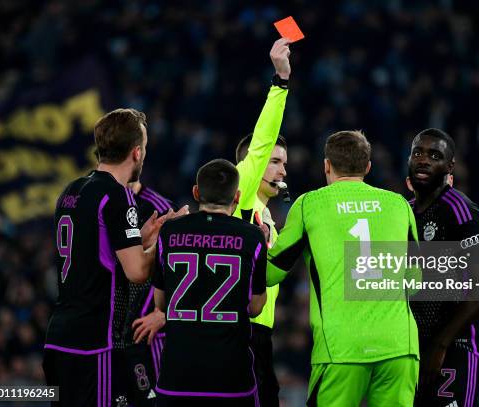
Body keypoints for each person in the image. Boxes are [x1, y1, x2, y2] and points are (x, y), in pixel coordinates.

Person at [43, 108, 185, 406]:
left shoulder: (72, 190)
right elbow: (136, 272)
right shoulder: (118, 195)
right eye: (144, 148)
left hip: (58, 339)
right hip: (95, 343)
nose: (144, 154)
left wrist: (142, 236)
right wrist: (164, 237)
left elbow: (97, 249)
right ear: (136, 152)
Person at [267, 130, 420, 406]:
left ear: (327, 165)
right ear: (368, 167)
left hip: (341, 349)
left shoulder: (308, 205)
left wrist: (265, 239)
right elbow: (417, 278)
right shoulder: (399, 205)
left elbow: (270, 274)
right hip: (399, 346)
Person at [153, 159, 268, 407]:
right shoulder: (252, 236)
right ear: (236, 196)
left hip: (177, 376)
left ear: (196, 192)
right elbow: (256, 307)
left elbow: (160, 303)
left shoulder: (169, 232)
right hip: (231, 378)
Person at [407, 128, 479, 407]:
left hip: (460, 347)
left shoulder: (460, 210)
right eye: (418, 152)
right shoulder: (405, 212)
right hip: (418, 348)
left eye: (435, 155)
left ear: (449, 167)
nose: (423, 160)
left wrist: (441, 344)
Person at [233, 37, 291, 406]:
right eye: (275, 161)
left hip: (261, 334)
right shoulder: (243, 196)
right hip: (241, 332)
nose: (283, 168)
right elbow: (261, 141)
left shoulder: (268, 216)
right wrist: (280, 82)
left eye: (284, 162)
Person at [121, 180, 180, 406]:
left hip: (148, 334)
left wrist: (165, 312)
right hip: (113, 332)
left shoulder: (160, 207)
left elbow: (180, 268)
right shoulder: (102, 201)